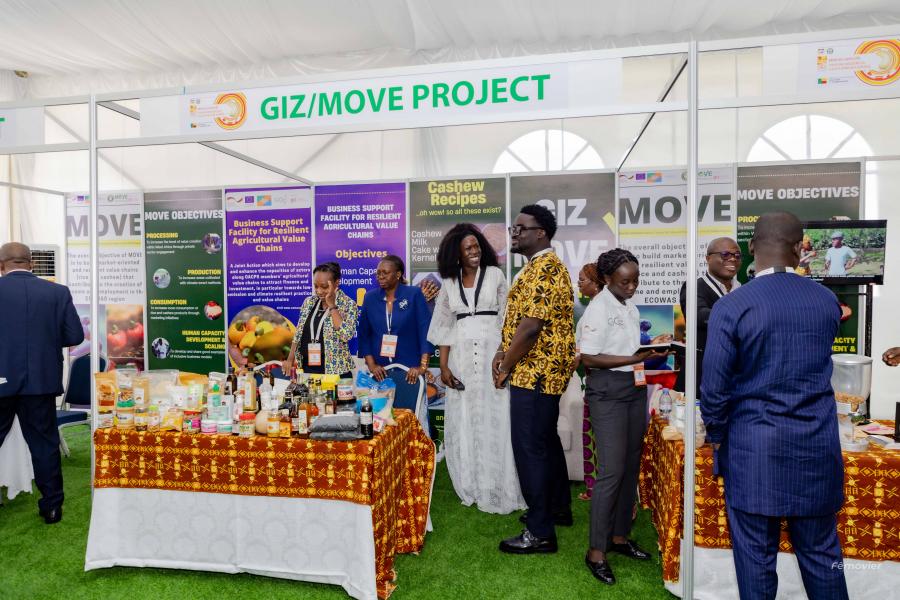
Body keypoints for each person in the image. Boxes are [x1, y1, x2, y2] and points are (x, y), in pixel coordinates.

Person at [701, 211, 848, 600]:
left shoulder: (733, 305)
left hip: (753, 451)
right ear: (800, 248)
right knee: (823, 557)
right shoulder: (826, 301)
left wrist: (717, 435)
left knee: (755, 561)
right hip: (816, 448)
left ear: (751, 247)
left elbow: (713, 388)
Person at [579, 249, 667, 585]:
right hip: (607, 392)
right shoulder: (598, 309)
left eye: (635, 281)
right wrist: (636, 357)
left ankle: (618, 537)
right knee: (611, 472)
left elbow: (627, 351)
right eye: (625, 281)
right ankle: (596, 552)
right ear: (606, 279)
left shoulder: (629, 307)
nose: (632, 287)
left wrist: (650, 350)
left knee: (630, 466)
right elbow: (589, 358)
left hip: (633, 389)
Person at [493, 204, 575, 555]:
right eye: (513, 228)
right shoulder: (536, 267)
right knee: (545, 441)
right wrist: (502, 350)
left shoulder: (545, 267)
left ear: (541, 233)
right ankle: (557, 508)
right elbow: (518, 321)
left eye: (521, 228)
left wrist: (506, 366)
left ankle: (540, 532)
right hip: (537, 371)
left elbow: (530, 328)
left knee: (530, 449)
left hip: (536, 372)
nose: (514, 233)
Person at [427, 223, 525, 514]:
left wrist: (503, 355)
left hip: (493, 355)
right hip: (461, 359)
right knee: (466, 417)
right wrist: (444, 366)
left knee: (497, 415)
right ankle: (471, 483)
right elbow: (445, 326)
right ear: (456, 253)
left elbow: (508, 319)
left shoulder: (495, 275)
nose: (474, 251)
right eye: (468, 248)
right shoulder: (449, 282)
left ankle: (499, 484)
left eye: (477, 246)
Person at [0, 242, 84, 524]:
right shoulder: (57, 292)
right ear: (32, 264)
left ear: (1, 265)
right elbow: (75, 336)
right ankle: (52, 507)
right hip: (41, 381)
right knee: (44, 444)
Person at [676, 236, 742, 392]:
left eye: (737, 255)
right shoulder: (694, 287)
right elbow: (699, 315)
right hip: (703, 374)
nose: (733, 259)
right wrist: (741, 317)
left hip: (737, 375)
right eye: (725, 254)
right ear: (708, 258)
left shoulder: (744, 289)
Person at [358, 255, 432, 384]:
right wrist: (372, 365)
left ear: (398, 274)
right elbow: (364, 335)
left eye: (385, 273)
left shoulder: (414, 294)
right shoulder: (370, 298)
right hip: (380, 372)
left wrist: (422, 367)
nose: (381, 276)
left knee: (408, 398)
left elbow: (425, 331)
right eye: (378, 273)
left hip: (410, 371)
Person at [284, 262, 357, 378]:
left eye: (324, 287)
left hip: (335, 372)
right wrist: (290, 359)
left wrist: (332, 305)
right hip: (307, 369)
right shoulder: (309, 302)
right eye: (316, 286)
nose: (319, 291)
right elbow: (298, 333)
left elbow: (346, 335)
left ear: (336, 283)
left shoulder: (348, 304)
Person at [574, 263, 603, 501]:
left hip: (601, 382)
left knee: (598, 438)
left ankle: (599, 489)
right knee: (590, 435)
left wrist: (576, 357)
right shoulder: (593, 306)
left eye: (582, 280)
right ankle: (593, 488)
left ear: (595, 283)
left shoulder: (600, 307)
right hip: (591, 381)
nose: (578, 284)